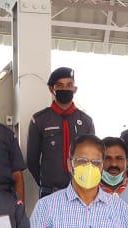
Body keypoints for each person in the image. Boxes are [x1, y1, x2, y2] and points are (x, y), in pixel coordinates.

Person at [26, 68, 96, 197]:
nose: (65, 89)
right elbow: (32, 160)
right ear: (52, 89)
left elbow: (93, 157)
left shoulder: (86, 121)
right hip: (50, 191)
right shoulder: (40, 120)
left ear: (75, 89)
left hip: (80, 191)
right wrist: (45, 183)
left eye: (69, 85)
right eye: (60, 85)